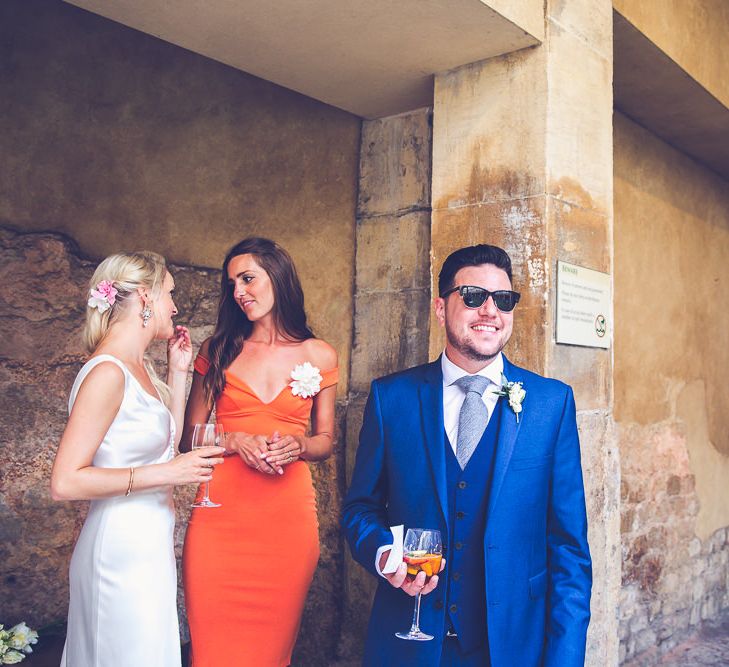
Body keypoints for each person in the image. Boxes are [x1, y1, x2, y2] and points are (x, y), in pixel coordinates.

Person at [342, 244, 592, 666]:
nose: (490, 311)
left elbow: (569, 550)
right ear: (441, 309)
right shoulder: (392, 398)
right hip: (410, 642)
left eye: (504, 300)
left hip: (512, 648)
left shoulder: (552, 404)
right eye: (474, 297)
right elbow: (360, 508)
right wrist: (385, 553)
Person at [51, 251, 225, 667]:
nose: (175, 306)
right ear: (145, 298)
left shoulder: (137, 369)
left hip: (148, 547)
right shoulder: (107, 373)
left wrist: (178, 373)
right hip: (118, 553)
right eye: (170, 294)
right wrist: (168, 472)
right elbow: (65, 482)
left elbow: (167, 445)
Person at [182, 237, 338, 667]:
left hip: (286, 523)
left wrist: (300, 444)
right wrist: (232, 440)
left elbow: (326, 441)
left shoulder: (319, 354)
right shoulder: (217, 350)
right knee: (211, 652)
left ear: (278, 277)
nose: (239, 292)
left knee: (271, 654)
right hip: (220, 520)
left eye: (248, 278)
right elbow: (188, 438)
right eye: (232, 284)